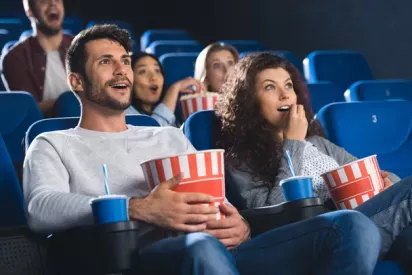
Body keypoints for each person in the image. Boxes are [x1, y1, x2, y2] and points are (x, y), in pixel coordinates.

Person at [24, 25, 381, 275]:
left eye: (125, 60)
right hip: (139, 259)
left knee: (350, 227)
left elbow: (217, 201)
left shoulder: (168, 137)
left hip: (225, 251)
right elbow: (40, 209)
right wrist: (139, 208)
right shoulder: (53, 142)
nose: (122, 70)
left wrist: (240, 224)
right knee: (203, 248)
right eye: (106, 62)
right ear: (76, 82)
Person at [216, 52, 412, 272]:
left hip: (362, 222)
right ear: (249, 100)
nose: (284, 95)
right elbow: (270, 216)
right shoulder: (240, 159)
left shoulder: (319, 143)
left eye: (288, 85)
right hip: (315, 236)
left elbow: (373, 174)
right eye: (270, 87)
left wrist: (387, 184)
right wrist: (293, 144)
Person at [1, 0, 73, 117]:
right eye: (44, 1)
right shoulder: (15, 57)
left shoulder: (81, 47)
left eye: (58, 0)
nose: (53, 3)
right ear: (30, 12)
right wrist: (72, 102)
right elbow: (28, 110)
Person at [125, 52, 204, 126]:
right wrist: (174, 89)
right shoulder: (124, 113)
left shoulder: (171, 114)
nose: (154, 77)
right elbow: (152, 135)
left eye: (157, 70)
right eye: (142, 72)